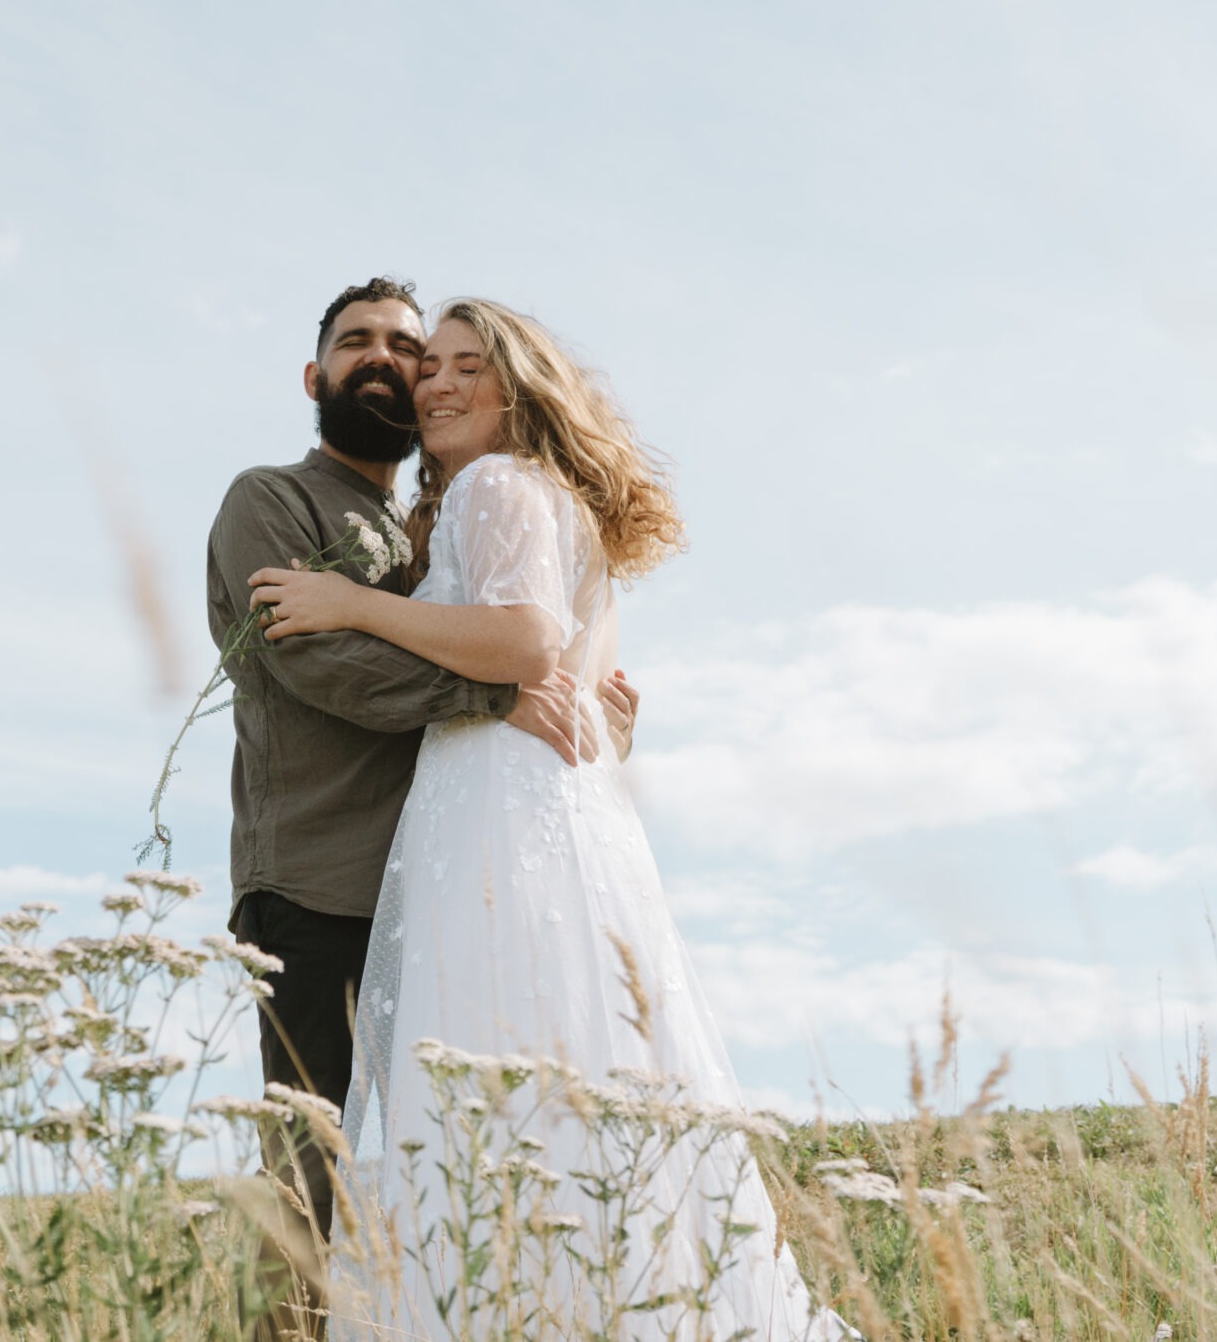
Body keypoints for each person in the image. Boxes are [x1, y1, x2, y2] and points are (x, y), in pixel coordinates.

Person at [250, 297, 844, 1340]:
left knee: (484, 1079)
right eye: (427, 365)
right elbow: (582, 698)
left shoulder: (494, 482)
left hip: (492, 813)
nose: (435, 381)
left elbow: (524, 644)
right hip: (547, 811)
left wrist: (352, 605)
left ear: (519, 387)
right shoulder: (553, 503)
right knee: (561, 1075)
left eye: (465, 365)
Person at [206, 278, 631, 1339]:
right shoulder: (270, 499)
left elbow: (522, 635)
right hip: (315, 886)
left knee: (436, 1185)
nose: (392, 361)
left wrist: (584, 705)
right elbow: (325, 664)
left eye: (412, 345)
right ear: (317, 378)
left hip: (437, 890)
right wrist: (497, 692)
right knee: (317, 1191)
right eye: (361, 345)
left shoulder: (431, 524)